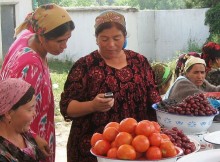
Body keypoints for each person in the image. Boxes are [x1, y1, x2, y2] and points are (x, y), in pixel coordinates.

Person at [59, 10, 161, 162]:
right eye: (104, 39)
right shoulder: (85, 66)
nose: (111, 44)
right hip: (95, 147)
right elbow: (67, 107)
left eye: (116, 38)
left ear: (125, 37)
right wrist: (92, 106)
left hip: (137, 145)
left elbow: (154, 100)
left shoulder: (140, 62)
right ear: (96, 39)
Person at [0, 3, 75, 162]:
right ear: (42, 36)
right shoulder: (29, 65)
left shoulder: (28, 38)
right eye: (60, 41)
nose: (65, 46)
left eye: (67, 39)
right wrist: (33, 137)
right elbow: (15, 109)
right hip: (27, 137)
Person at [0, 78, 46, 162]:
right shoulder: (3, 154)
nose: (34, 113)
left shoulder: (25, 135)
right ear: (9, 114)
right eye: (29, 109)